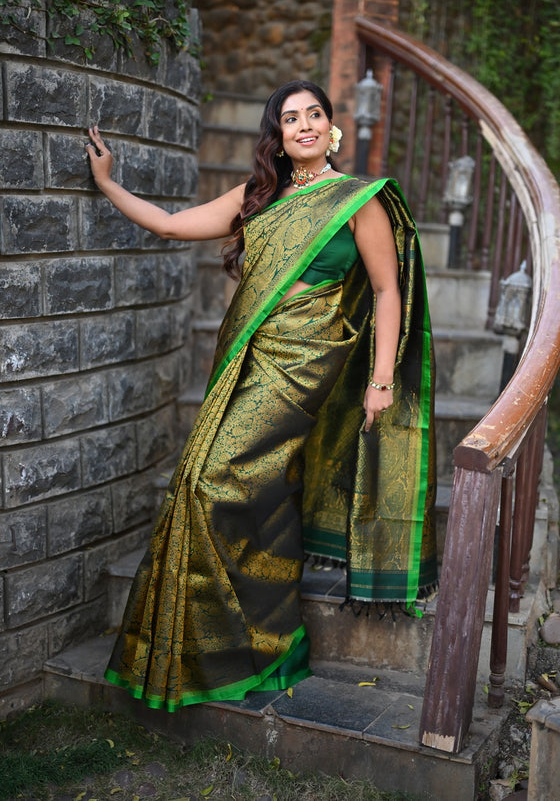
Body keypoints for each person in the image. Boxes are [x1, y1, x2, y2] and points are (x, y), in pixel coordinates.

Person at [86, 79, 437, 712]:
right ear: (275, 136)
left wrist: (381, 380)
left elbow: (387, 291)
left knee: (213, 481)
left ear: (331, 126)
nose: (303, 125)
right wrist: (110, 184)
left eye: (314, 114)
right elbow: (170, 225)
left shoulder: (358, 200)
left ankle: (246, 642)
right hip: (250, 354)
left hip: (307, 361)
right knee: (219, 482)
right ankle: (247, 644)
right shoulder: (258, 197)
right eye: (289, 118)